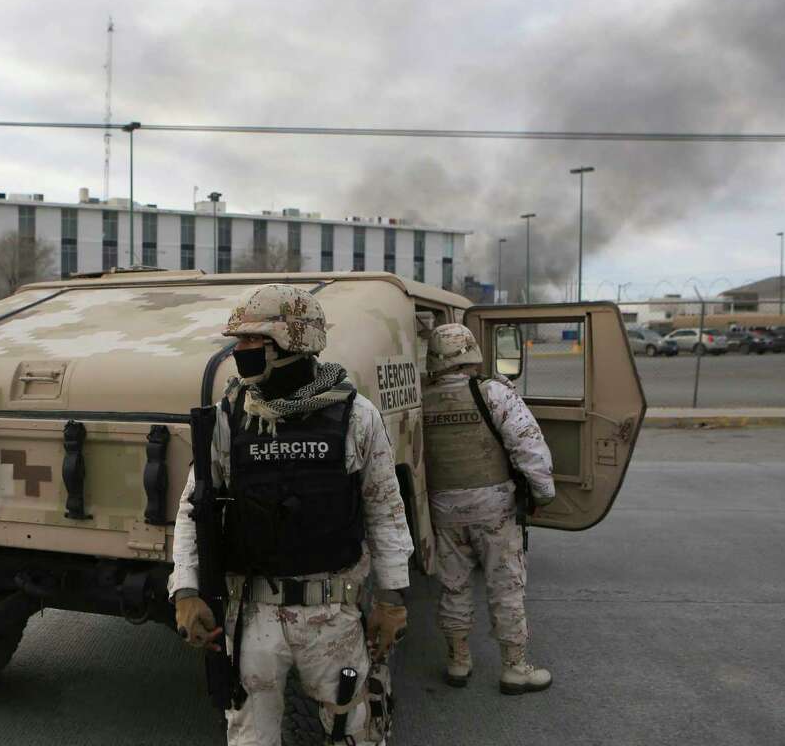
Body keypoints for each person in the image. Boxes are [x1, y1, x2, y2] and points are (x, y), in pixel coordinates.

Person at [170, 283, 413, 745]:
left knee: (354, 732)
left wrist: (391, 600)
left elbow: (385, 511)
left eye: (250, 342)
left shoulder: (357, 417)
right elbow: (193, 509)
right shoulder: (230, 416)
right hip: (253, 617)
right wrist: (185, 589)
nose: (238, 352)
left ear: (291, 344)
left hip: (333, 615)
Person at [422, 323, 555, 695]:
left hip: (443, 509)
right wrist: (542, 494)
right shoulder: (492, 392)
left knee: (453, 587)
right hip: (493, 508)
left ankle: (458, 661)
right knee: (506, 586)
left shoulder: (420, 397)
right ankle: (514, 668)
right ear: (470, 353)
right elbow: (529, 446)